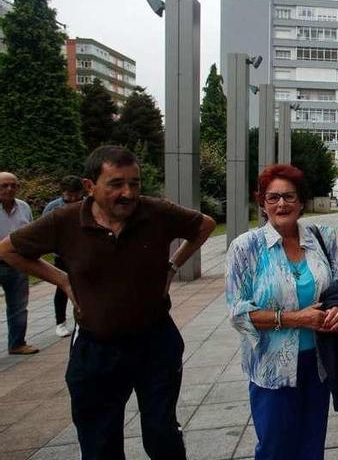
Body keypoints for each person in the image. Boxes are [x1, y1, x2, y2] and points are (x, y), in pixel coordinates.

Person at [0, 146, 216, 459]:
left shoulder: (155, 212)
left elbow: (204, 225)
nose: (128, 193)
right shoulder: (65, 220)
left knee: (161, 434)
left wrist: (173, 265)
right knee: (99, 441)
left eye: (135, 183)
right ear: (90, 186)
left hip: (155, 343)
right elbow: (8, 250)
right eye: (116, 184)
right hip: (95, 348)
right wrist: (62, 280)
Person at [227, 164, 338, 460]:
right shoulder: (245, 248)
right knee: (275, 448)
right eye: (273, 197)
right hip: (271, 369)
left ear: (301, 201)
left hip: (318, 362)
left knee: (312, 446)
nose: (282, 204)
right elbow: (238, 313)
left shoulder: (320, 235)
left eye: (289, 196)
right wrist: (295, 319)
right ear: (261, 202)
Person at [42, 175, 85, 337]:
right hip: (62, 255)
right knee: (62, 288)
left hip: (84, 253)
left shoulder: (88, 204)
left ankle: (82, 321)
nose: (73, 198)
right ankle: (60, 323)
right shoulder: (53, 207)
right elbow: (44, 230)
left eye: (76, 194)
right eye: (69, 195)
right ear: (63, 192)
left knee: (84, 288)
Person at [0, 171, 36, 355]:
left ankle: (17, 343)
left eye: (13, 185)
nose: (9, 189)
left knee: (19, 306)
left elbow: (30, 231)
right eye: (4, 185)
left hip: (16, 263)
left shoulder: (23, 207)